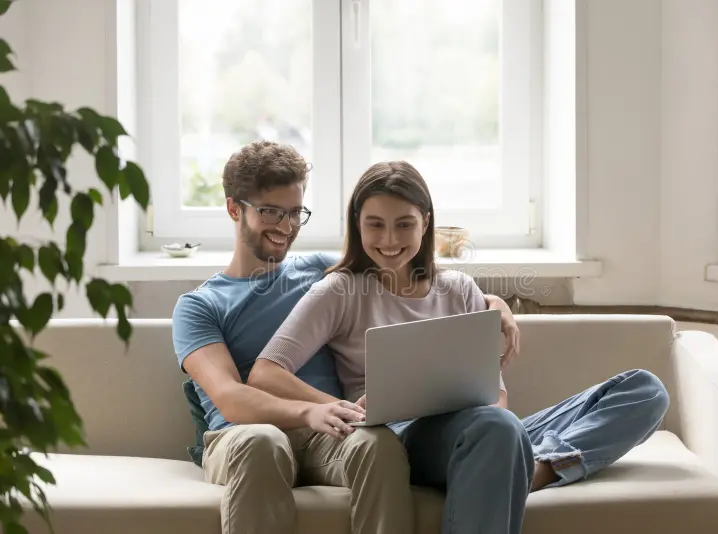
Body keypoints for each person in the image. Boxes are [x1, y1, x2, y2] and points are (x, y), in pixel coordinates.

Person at [248, 160, 671, 534]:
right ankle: (514, 464)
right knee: (497, 431)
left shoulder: (460, 288)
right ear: (357, 225)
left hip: (482, 431)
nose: (389, 238)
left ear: (426, 222)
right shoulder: (340, 290)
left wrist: (497, 417)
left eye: (404, 223)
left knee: (644, 390)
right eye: (375, 223)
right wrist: (334, 407)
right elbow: (266, 372)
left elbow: (495, 393)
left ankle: (533, 467)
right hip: (400, 440)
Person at [171, 141, 521, 534]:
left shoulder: (323, 272)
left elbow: (408, 274)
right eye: (270, 212)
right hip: (247, 432)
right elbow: (232, 397)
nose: (286, 227)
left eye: (294, 213)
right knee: (263, 444)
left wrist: (494, 304)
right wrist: (317, 409)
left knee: (380, 443)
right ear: (234, 209)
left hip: (328, 433)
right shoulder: (199, 305)